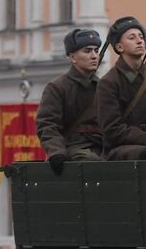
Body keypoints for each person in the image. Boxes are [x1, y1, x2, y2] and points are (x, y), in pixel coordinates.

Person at [36, 28, 104, 172]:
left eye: (96, 51)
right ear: (73, 57)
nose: (94, 56)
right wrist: (56, 152)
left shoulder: (104, 87)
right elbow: (48, 125)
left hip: (103, 145)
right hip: (73, 146)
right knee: (92, 162)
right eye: (87, 51)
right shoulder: (57, 88)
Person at [98, 16, 146, 161]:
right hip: (122, 149)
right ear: (119, 47)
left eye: (141, 37)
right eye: (132, 38)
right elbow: (112, 130)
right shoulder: (109, 83)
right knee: (143, 155)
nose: (139, 41)